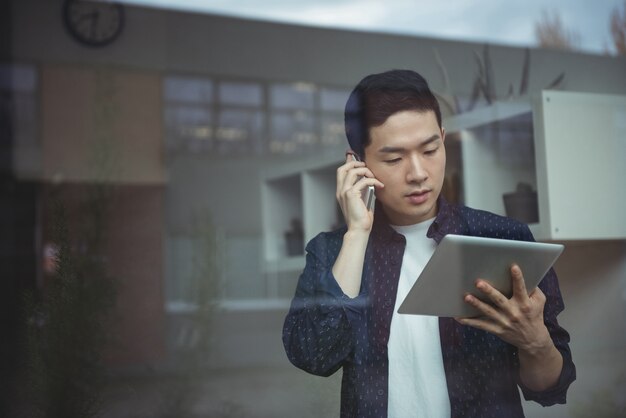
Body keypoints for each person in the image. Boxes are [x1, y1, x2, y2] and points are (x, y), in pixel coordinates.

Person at [282, 69, 575, 417]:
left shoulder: (501, 237)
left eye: (430, 149)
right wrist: (357, 233)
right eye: (394, 158)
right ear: (357, 163)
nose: (418, 173)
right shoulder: (332, 251)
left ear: (443, 139)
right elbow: (314, 355)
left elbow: (550, 387)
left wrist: (534, 341)